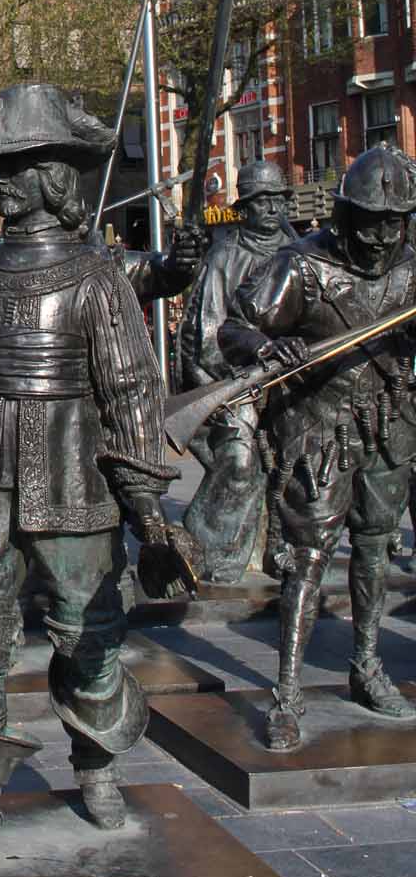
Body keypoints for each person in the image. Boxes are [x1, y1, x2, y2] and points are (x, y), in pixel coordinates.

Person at [0, 83, 193, 877]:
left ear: (56, 175)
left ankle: (96, 766)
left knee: (89, 641)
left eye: (18, 167)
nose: (2, 182)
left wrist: (148, 513)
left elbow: (130, 396)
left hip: (73, 485)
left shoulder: (96, 278)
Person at [220, 141, 416, 750]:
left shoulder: (413, 268)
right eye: (371, 223)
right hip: (319, 430)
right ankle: (287, 692)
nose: (382, 239)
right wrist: (263, 348)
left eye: (394, 224)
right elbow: (235, 326)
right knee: (306, 561)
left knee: (377, 551)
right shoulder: (303, 266)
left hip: (391, 424)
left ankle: (366, 665)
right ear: (345, 214)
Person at [176, 159, 298, 583]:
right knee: (241, 458)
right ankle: (204, 550)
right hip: (236, 382)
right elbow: (204, 333)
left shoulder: (299, 251)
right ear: (244, 207)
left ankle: (284, 548)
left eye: (276, 200)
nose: (270, 209)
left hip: (294, 378)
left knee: (303, 457)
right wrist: (232, 385)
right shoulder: (225, 257)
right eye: (260, 201)